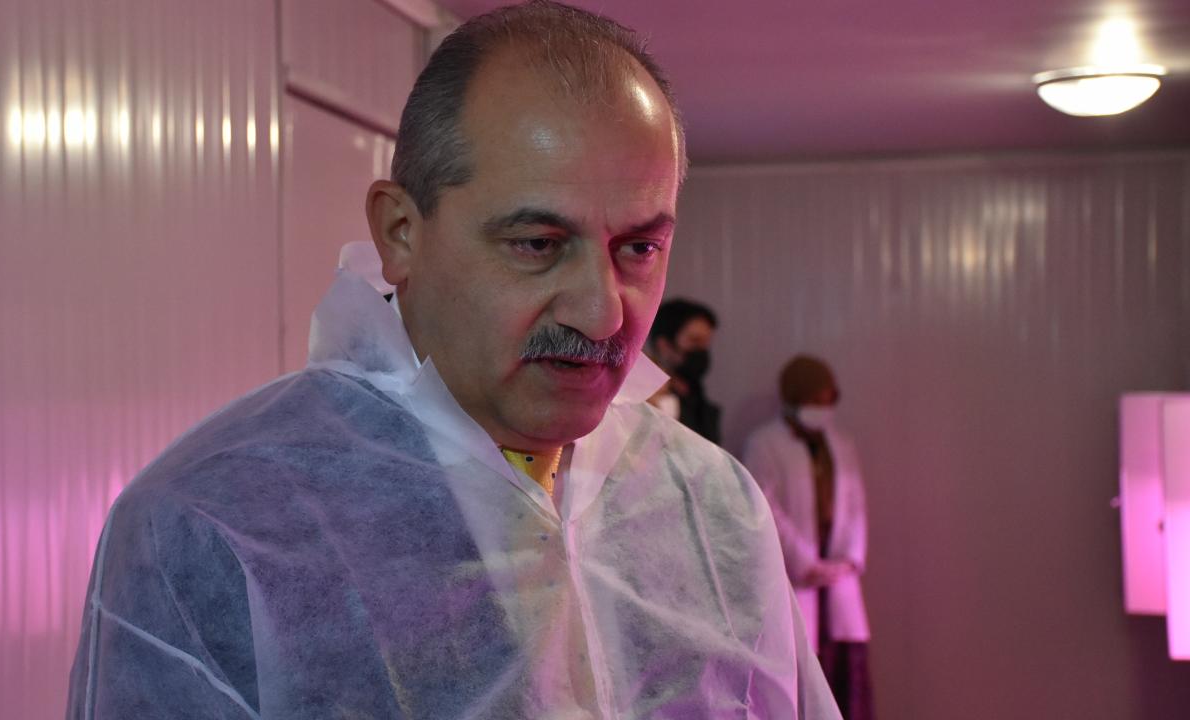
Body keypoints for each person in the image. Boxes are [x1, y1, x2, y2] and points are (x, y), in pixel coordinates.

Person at [66, 2, 840, 718]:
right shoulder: (209, 527)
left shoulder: (714, 508)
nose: (604, 313)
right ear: (401, 233)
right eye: (537, 244)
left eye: (639, 248)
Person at [743, 355, 874, 720]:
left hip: (839, 579)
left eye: (828, 399)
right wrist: (804, 562)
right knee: (800, 672)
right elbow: (764, 505)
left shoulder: (841, 443)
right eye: (814, 400)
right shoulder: (764, 443)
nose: (822, 408)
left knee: (845, 673)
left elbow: (855, 503)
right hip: (796, 578)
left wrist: (848, 559)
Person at [644, 298, 721, 443]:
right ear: (664, 346)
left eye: (706, 343)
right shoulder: (647, 400)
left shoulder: (700, 402)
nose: (702, 351)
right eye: (695, 341)